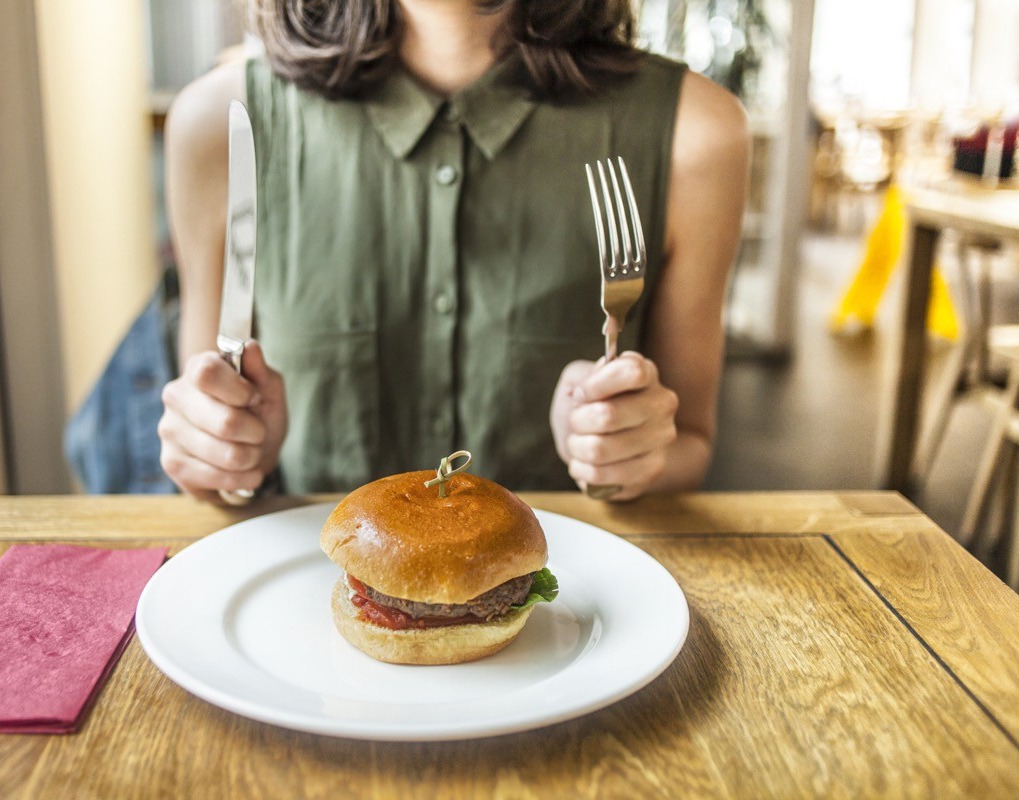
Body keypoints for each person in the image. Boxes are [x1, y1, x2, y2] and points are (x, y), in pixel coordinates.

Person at [157, 0, 749, 504]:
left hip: (571, 614)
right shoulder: (219, 128)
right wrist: (227, 452)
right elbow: (209, 454)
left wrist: (624, 455)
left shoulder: (696, 134)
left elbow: (690, 446)